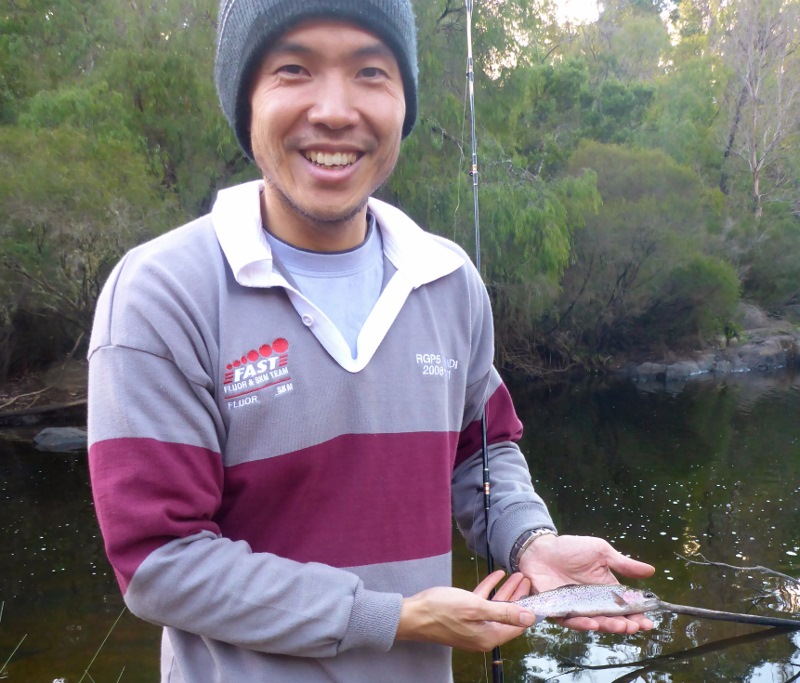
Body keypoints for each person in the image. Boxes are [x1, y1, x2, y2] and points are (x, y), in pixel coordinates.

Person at [87, 1, 655, 681]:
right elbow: (161, 563)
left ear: (404, 102)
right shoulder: (159, 294)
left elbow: (483, 450)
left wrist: (529, 539)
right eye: (294, 69)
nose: (334, 109)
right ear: (244, 100)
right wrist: (395, 616)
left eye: (371, 72)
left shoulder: (448, 280)